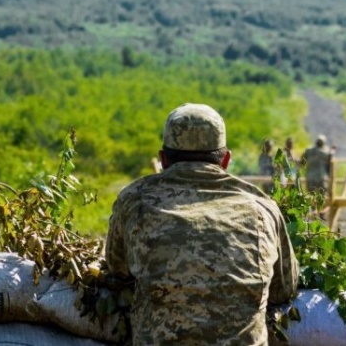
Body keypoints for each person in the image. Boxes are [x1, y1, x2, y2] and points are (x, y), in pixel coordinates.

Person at [106, 103, 299, 346]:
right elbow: (284, 289)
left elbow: (117, 270)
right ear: (226, 160)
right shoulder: (262, 207)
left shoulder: (134, 200)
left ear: (163, 159)